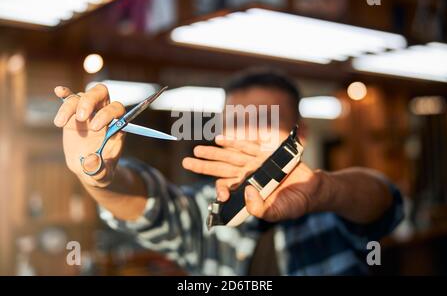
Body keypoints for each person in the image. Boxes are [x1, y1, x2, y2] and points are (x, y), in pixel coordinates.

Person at [53, 69, 403, 275]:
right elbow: (151, 206)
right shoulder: (207, 212)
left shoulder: (331, 209)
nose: (246, 134)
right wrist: (98, 176)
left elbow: (386, 204)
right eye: (236, 121)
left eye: (265, 121)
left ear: (303, 133)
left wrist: (323, 191)